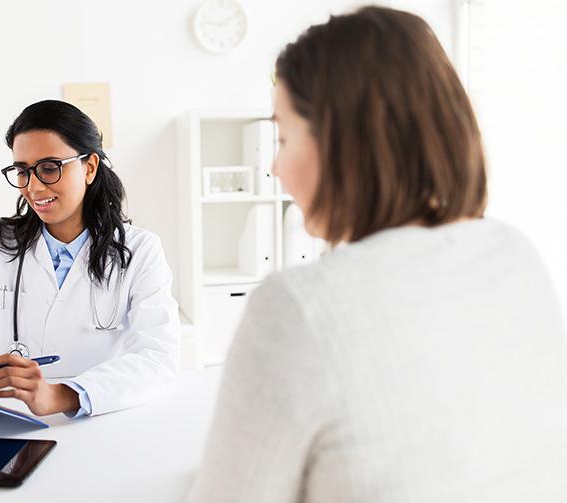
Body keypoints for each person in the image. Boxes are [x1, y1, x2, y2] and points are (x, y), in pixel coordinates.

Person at [187, 6, 567, 502]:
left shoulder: (297, 309)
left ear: (342, 140)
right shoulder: (515, 255)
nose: (275, 168)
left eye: (282, 137)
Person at [0, 100, 180, 418]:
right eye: (22, 171)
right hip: (3, 422)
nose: (33, 186)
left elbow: (157, 356)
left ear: (89, 168)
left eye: (49, 168)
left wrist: (63, 395)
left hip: (93, 424)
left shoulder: (139, 251)